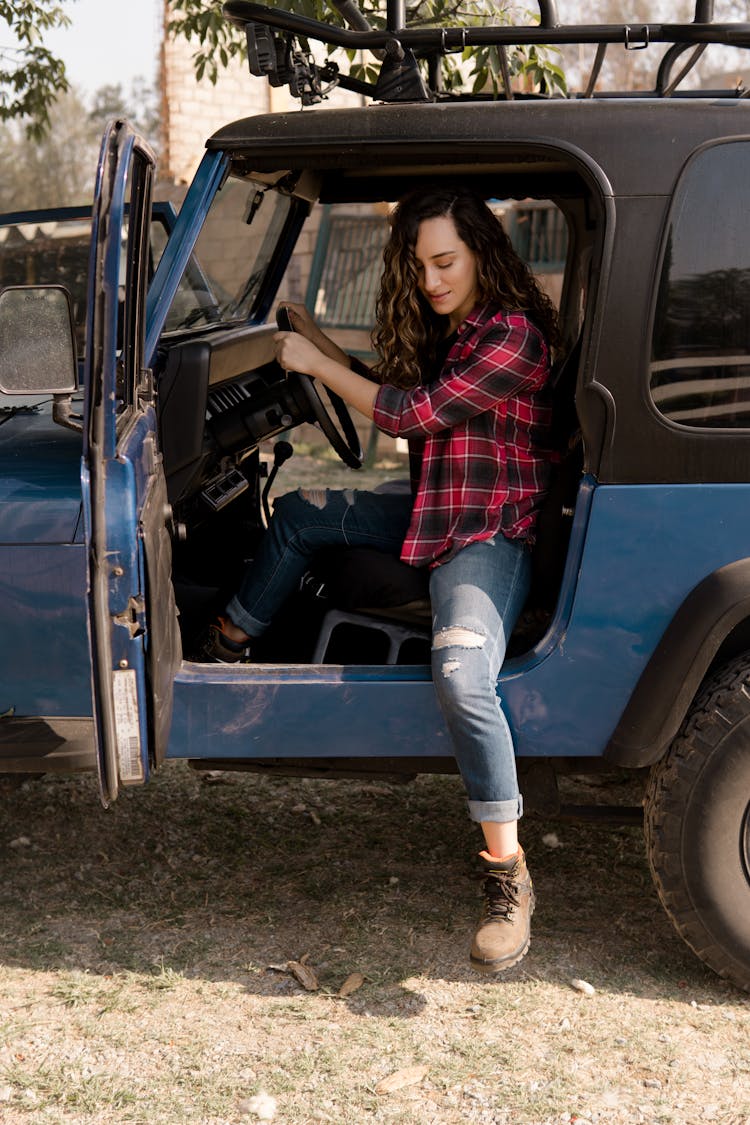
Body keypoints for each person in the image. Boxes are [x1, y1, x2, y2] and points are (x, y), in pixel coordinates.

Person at [198, 186, 560, 974]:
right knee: (297, 515)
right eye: (420, 264)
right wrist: (324, 353)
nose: (431, 280)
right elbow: (407, 400)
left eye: (445, 262)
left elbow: (411, 415)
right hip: (433, 511)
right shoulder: (458, 331)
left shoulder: (516, 338)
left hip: (487, 532)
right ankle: (220, 655)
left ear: (481, 255)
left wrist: (319, 363)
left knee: (464, 674)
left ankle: (509, 876)